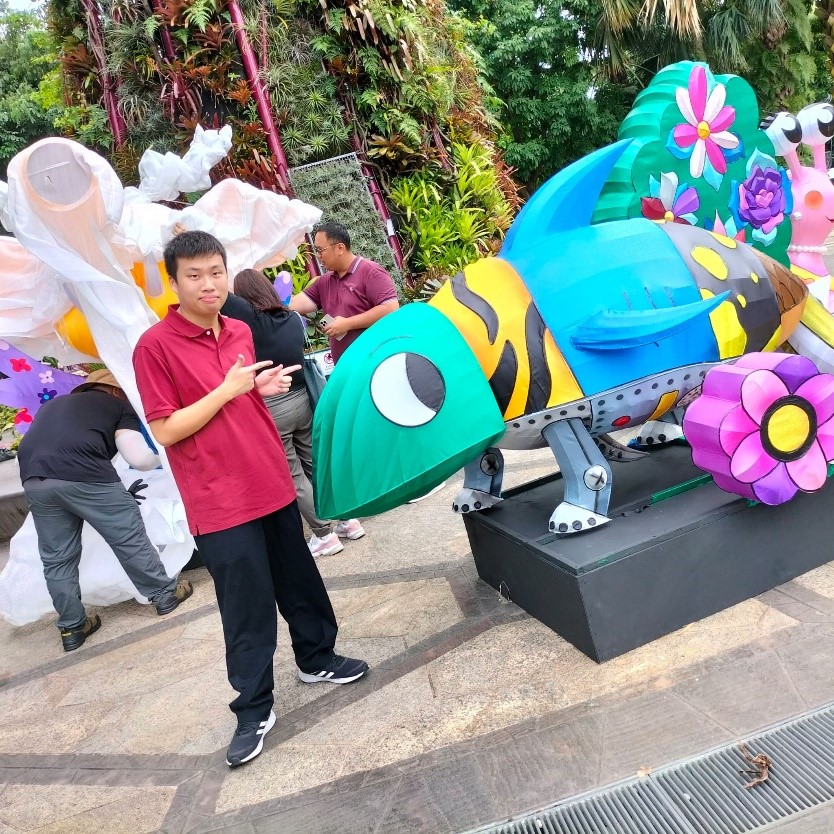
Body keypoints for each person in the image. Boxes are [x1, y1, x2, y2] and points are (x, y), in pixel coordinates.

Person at [133, 230, 368, 769]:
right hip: (220, 500)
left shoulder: (239, 329)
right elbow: (167, 430)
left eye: (216, 271)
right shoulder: (154, 347)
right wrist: (228, 392)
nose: (209, 284)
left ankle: (317, 656)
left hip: (269, 480)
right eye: (194, 275)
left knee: (299, 580)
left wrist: (254, 394)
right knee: (246, 605)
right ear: (174, 282)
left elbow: (234, 399)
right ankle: (254, 707)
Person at [16, 369, 194, 652]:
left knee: (57, 557)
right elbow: (137, 458)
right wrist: (162, 460)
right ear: (114, 390)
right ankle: (164, 594)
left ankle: (72, 628)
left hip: (34, 480)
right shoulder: (117, 405)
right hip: (85, 475)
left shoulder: (52, 406)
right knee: (127, 536)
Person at [222, 268, 364, 557]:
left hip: (273, 405)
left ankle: (324, 533)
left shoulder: (250, 321)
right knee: (316, 464)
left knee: (293, 474)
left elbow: (222, 296)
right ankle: (348, 520)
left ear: (244, 297)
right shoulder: (290, 319)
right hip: (304, 400)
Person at [290, 221, 399, 364]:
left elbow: (391, 309)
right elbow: (294, 304)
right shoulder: (324, 282)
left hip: (373, 364)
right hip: (344, 368)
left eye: (321, 250)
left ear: (340, 248)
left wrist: (347, 324)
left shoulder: (370, 271)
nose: (318, 256)